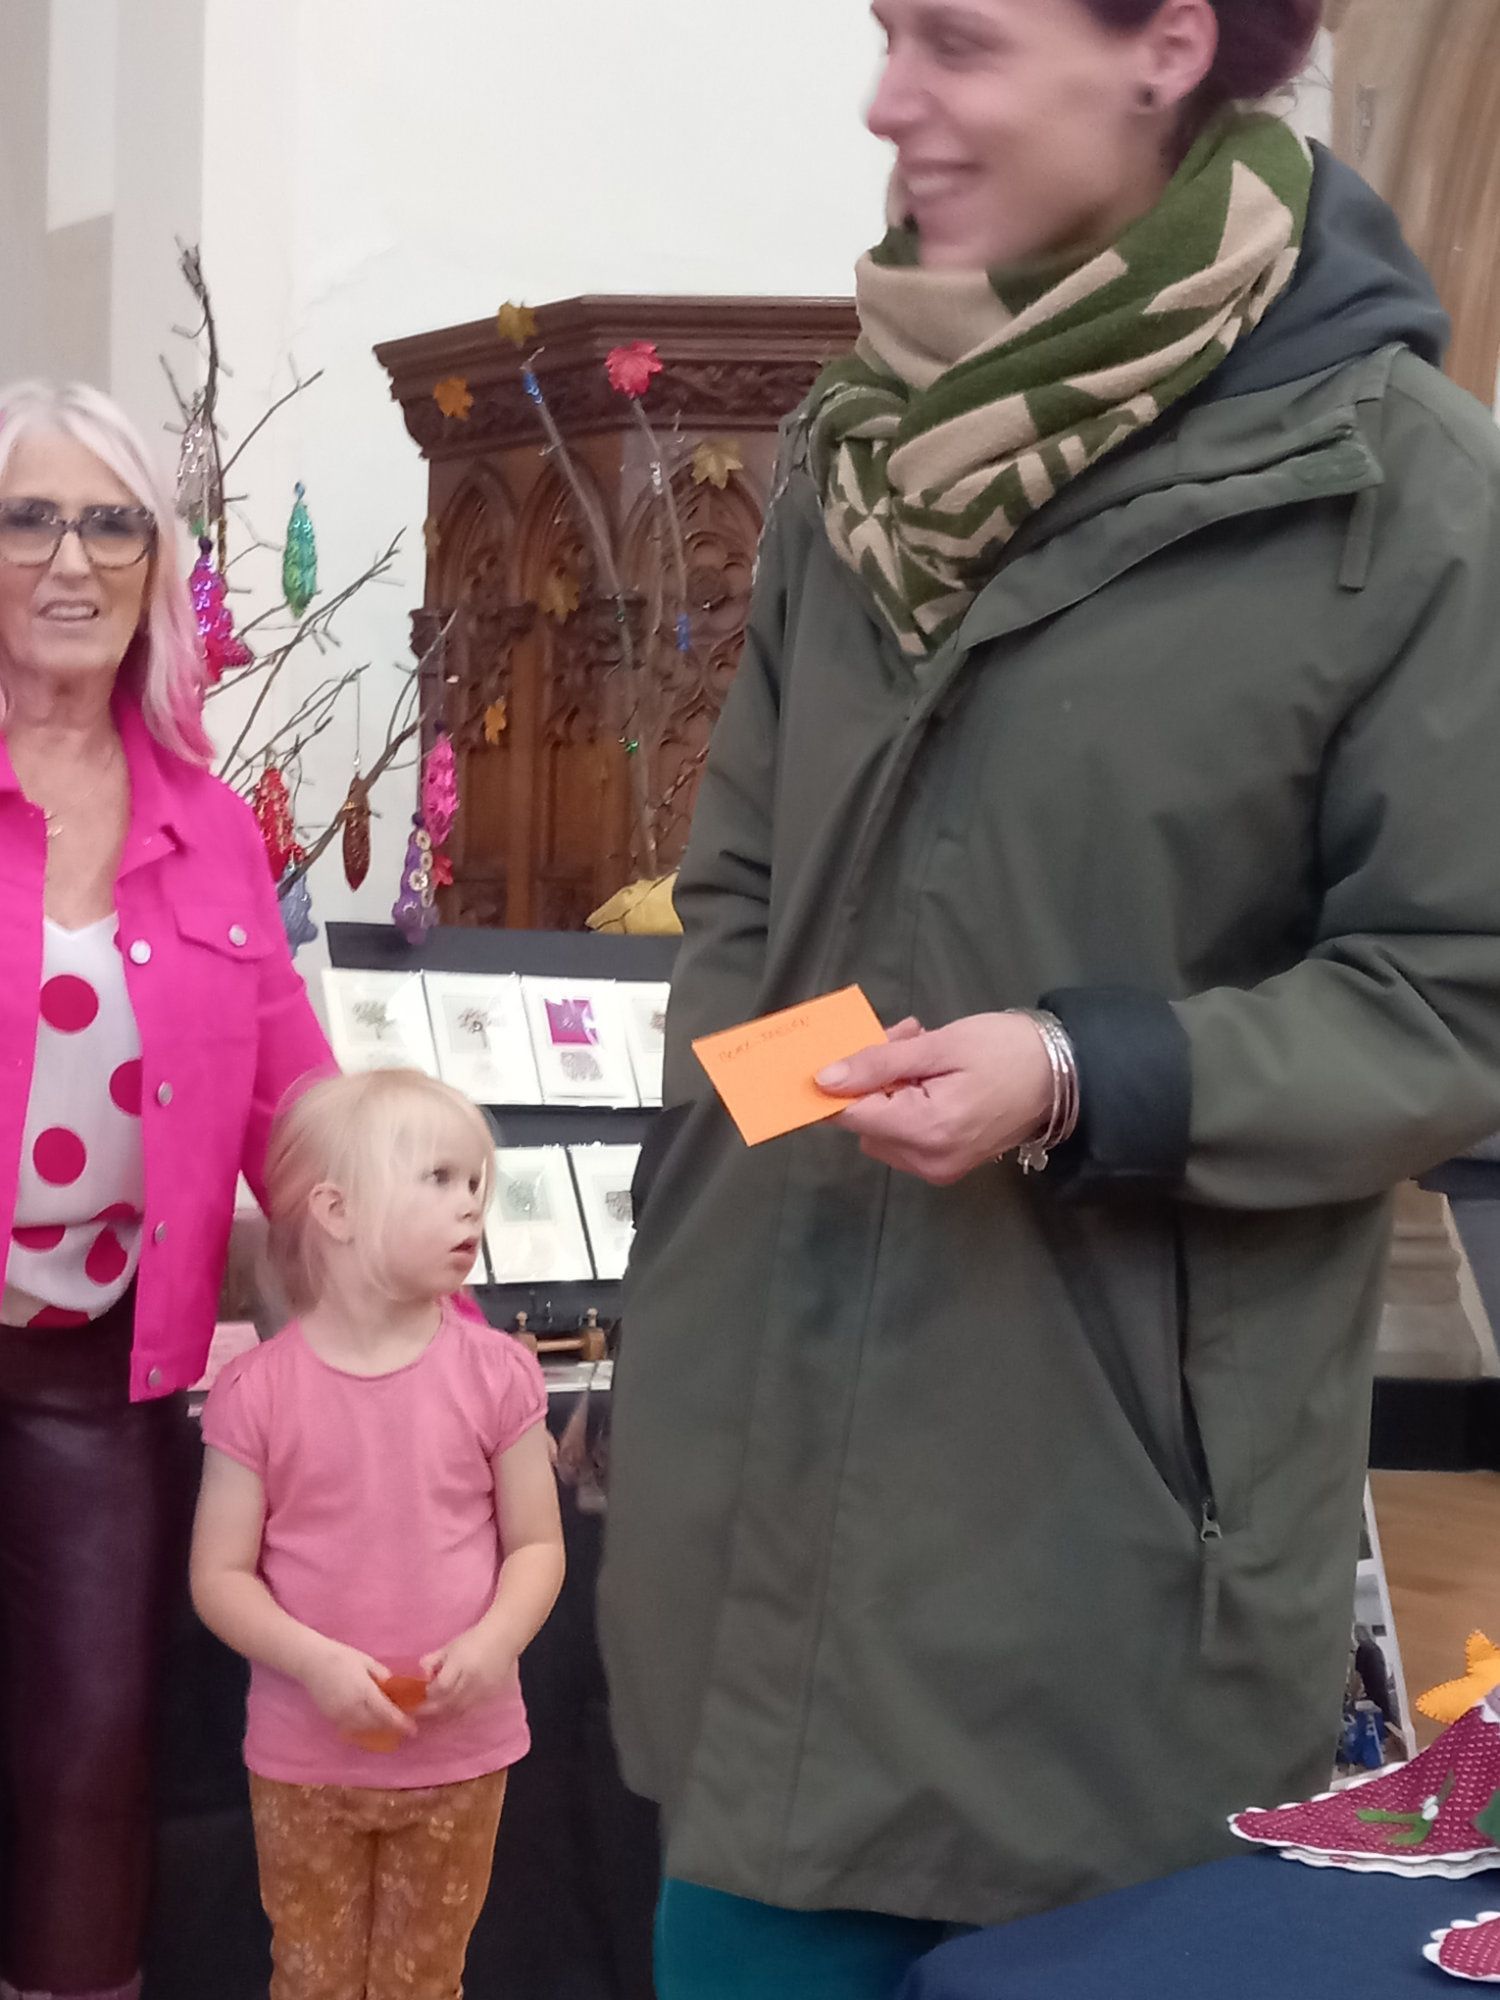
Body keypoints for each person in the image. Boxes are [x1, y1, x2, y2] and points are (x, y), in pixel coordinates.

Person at [598, 1, 1500, 1994]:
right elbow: (744, 898)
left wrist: (1087, 1070)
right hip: (763, 1529)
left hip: (1099, 1582)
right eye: (885, 30)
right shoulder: (859, 455)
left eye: (959, 42)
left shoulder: (1405, 493)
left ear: (1169, 43)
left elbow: (1457, 992)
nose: (885, 97)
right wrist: (737, 1160)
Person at [0, 379, 332, 2000]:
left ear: (153, 561)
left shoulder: (208, 831)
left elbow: (303, 1113)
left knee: (89, 1765)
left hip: (95, 1380)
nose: (71, 558)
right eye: (29, 517)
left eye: (110, 520)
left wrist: (449, 1332)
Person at [190, 1068, 565, 2000]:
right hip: (305, 1763)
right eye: (436, 1180)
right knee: (309, 1981)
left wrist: (494, 1641)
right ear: (337, 1209)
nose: (469, 1205)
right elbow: (220, 1575)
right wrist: (314, 1661)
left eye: (474, 1182)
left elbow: (538, 1547)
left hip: (460, 1757)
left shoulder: (500, 1377)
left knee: (426, 1983)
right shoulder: (257, 1392)